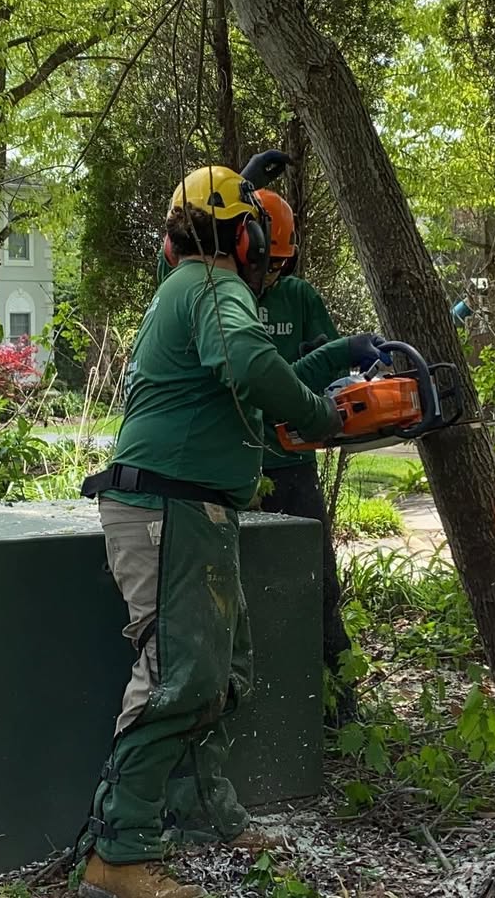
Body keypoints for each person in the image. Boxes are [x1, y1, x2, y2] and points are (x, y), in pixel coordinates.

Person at [77, 163, 386, 898]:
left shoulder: (193, 290)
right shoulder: (213, 287)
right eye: (256, 231)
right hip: (170, 510)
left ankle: (203, 815)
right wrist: (321, 416)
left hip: (193, 509)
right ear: (241, 235)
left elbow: (260, 367)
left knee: (218, 674)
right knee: (178, 680)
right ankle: (118, 854)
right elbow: (251, 362)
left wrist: (343, 358)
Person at [253, 190, 369, 725]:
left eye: (280, 262)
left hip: (292, 465)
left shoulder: (299, 297)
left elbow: (327, 372)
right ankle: (265, 710)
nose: (271, 272)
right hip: (236, 473)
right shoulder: (218, 296)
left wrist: (346, 379)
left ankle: (340, 708)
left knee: (320, 584)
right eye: (265, 259)